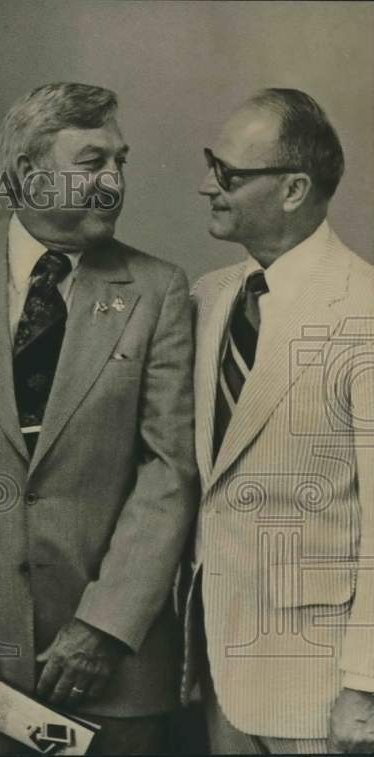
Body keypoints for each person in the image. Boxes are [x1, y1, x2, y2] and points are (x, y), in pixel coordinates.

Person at [0, 82, 198, 755]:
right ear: (28, 171)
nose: (113, 181)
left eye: (120, 161)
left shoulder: (158, 289)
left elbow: (168, 473)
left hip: (114, 671)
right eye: (92, 163)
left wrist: (104, 627)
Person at [185, 88, 374, 754]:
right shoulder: (209, 297)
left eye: (229, 173)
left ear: (294, 189)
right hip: (217, 671)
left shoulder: (364, 310)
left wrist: (365, 686)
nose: (207, 185)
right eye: (211, 164)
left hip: (323, 691)